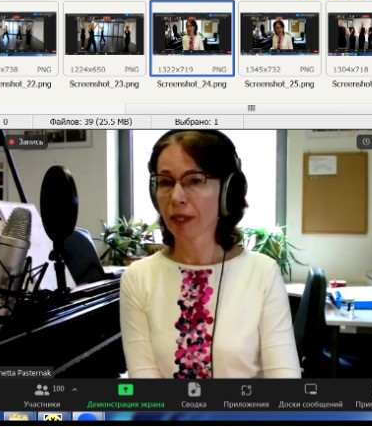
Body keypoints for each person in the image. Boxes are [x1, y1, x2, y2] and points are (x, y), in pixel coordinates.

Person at [120, 130, 301, 379]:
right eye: (165, 182)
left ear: (228, 192)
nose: (176, 197)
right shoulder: (138, 277)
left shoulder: (262, 273)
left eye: (195, 180)